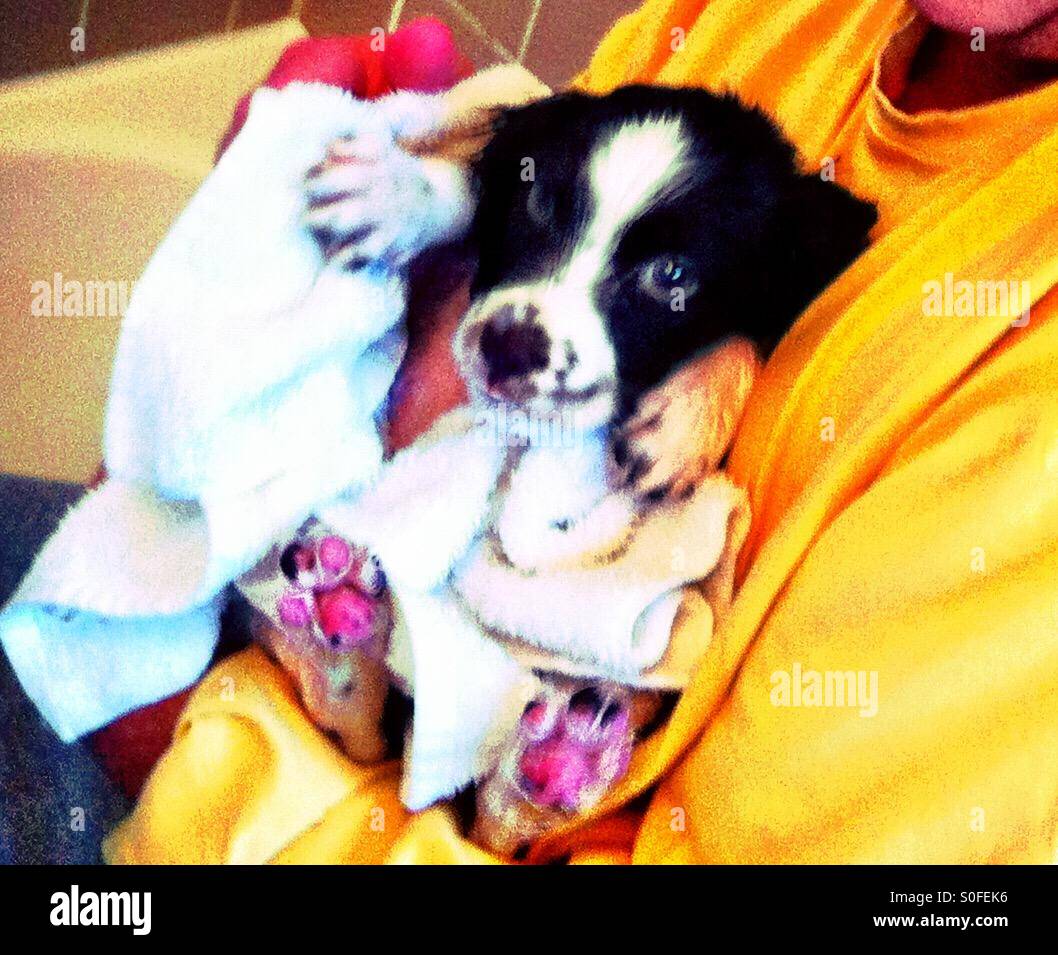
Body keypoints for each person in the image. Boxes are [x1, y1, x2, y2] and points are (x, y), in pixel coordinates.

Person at [106, 0, 1058, 863]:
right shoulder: (764, 19)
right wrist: (248, 273)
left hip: (232, 778)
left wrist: (159, 707)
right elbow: (511, 177)